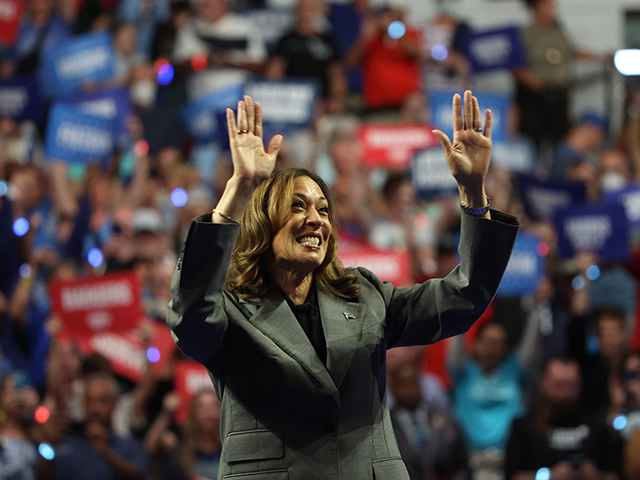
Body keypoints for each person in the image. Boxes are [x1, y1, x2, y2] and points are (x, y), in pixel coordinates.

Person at [166, 90, 520, 479]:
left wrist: (473, 193)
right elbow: (191, 315)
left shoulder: (363, 293)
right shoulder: (230, 307)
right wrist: (239, 189)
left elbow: (464, 297)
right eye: (298, 206)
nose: (316, 218)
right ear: (264, 223)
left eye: (322, 208)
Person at [505, 356, 620, 480]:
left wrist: (596, 476)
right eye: (558, 386)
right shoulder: (524, 426)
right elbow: (513, 476)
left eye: (571, 386)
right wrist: (548, 475)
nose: (565, 394)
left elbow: (616, 476)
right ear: (542, 383)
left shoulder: (597, 425)